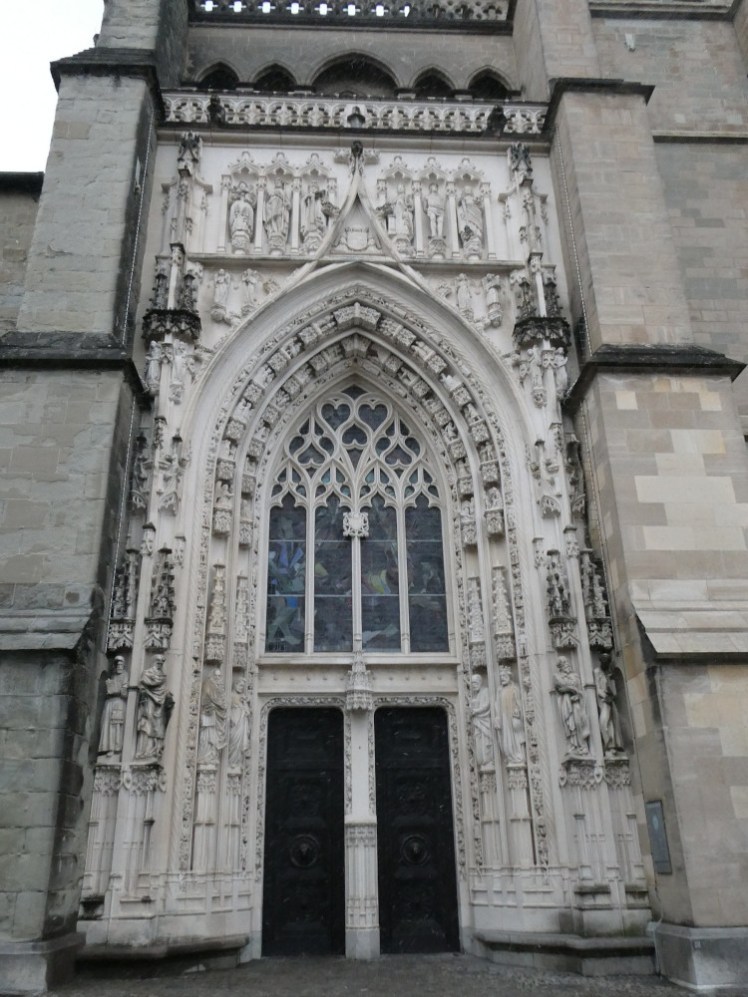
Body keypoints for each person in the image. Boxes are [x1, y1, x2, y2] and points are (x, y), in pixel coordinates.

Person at [135, 655, 174, 762]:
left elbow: (163, 689)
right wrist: (151, 696)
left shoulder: (162, 676)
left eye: (162, 662)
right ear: (153, 661)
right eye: (158, 661)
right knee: (147, 723)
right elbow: (143, 687)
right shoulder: (147, 673)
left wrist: (168, 696)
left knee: (158, 725)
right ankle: (144, 750)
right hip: (149, 702)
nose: (160, 663)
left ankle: (155, 749)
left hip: (159, 704)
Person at [553, 656, 590, 756]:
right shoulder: (557, 676)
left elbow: (574, 685)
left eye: (567, 663)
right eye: (564, 664)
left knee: (579, 722)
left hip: (577, 702)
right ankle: (573, 745)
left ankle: (583, 746)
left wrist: (570, 688)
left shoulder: (575, 675)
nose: (567, 665)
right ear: (560, 666)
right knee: (569, 724)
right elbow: (560, 685)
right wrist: (571, 688)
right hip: (565, 703)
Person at [495, 666, 526, 764]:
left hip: (512, 718)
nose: (502, 678)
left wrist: (518, 710)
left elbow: (519, 702)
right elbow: (497, 704)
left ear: (509, 676)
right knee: (506, 739)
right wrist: (497, 717)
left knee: (515, 737)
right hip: (504, 718)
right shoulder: (500, 690)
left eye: (504, 676)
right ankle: (509, 756)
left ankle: (517, 756)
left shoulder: (514, 688)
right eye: (501, 677)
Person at [197, 667, 227, 765]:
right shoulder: (208, 684)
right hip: (208, 713)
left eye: (220, 676)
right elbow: (207, 697)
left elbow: (221, 701)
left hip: (217, 714)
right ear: (212, 676)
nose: (218, 677)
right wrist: (215, 704)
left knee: (214, 734)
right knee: (207, 734)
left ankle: (212, 755)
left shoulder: (219, 686)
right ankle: (205, 756)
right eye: (216, 675)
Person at [99, 656, 128, 756]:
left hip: (118, 702)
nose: (119, 666)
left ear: (124, 665)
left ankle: (115, 748)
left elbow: (125, 692)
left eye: (121, 664)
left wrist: (117, 690)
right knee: (106, 724)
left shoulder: (125, 676)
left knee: (116, 725)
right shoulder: (113, 675)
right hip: (110, 702)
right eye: (117, 664)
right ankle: (107, 747)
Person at [470, 673, 493, 769]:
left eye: (475, 683)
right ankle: (482, 761)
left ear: (480, 682)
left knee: (485, 740)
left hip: (484, 721)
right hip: (477, 721)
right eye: (471, 683)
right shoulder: (476, 694)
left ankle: (487, 761)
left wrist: (476, 711)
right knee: (478, 739)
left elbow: (487, 704)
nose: (473, 685)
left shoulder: (485, 691)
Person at [228, 677, 251, 768]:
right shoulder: (230, 696)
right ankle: (231, 763)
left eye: (243, 686)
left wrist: (245, 703)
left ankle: (236, 763)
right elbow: (225, 710)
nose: (241, 688)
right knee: (233, 742)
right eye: (240, 685)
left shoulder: (243, 698)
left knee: (239, 744)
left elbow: (248, 712)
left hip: (241, 724)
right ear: (235, 684)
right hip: (233, 723)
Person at [229, 182, 256, 254]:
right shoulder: (235, 204)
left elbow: (251, 220)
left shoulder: (248, 206)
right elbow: (231, 219)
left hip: (245, 227)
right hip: (236, 226)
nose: (242, 194)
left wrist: (249, 229)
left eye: (244, 192)